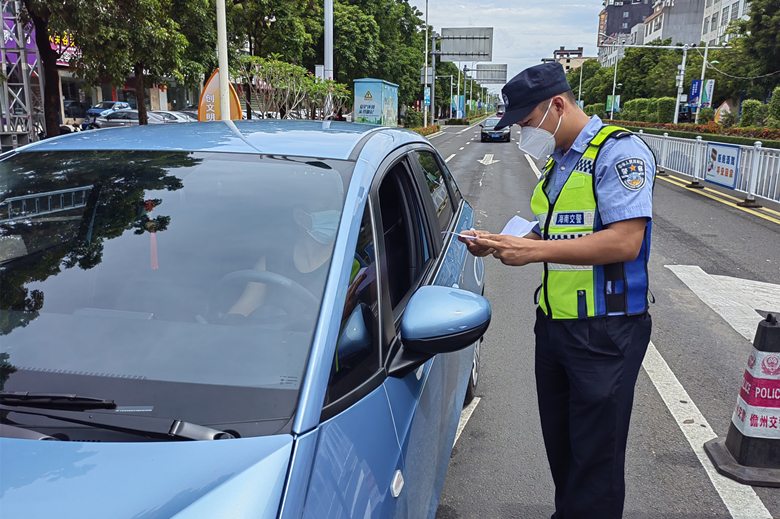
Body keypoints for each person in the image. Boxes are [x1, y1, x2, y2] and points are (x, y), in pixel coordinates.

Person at [460, 62, 655, 519]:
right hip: (556, 327)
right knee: (564, 448)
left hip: (604, 332)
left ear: (557, 105)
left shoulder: (618, 154)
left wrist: (536, 253)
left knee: (596, 460)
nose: (526, 133)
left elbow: (626, 241)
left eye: (528, 123)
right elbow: (550, 229)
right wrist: (505, 243)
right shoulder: (561, 159)